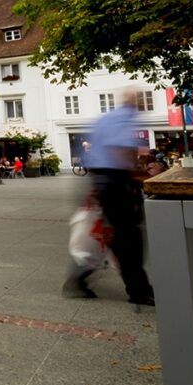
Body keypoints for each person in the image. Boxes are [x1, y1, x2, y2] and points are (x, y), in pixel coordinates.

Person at [63, 90, 155, 305]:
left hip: (102, 179)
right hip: (115, 181)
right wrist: (135, 176)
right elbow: (118, 149)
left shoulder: (105, 118)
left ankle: (80, 277)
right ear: (135, 102)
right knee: (127, 237)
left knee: (110, 234)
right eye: (141, 100)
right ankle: (139, 290)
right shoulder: (123, 118)